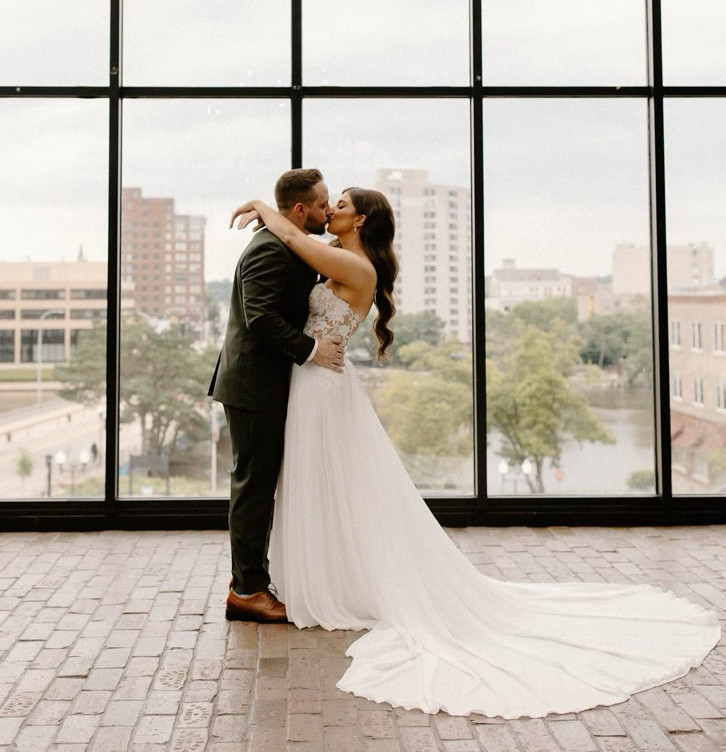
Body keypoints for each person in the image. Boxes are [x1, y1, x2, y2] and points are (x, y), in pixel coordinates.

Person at [228, 186, 721, 719]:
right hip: (312, 382)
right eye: (330, 202)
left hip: (322, 389)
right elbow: (299, 244)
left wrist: (260, 207)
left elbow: (296, 236)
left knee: (326, 483)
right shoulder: (342, 259)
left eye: (341, 204)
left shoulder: (357, 267)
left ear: (361, 218)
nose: (333, 210)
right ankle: (311, 576)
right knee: (314, 485)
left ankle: (326, 580)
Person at [208, 168, 345, 624]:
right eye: (324, 204)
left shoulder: (287, 241)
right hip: (252, 386)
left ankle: (252, 579)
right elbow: (259, 317)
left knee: (261, 485)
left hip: (269, 384)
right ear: (301, 210)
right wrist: (312, 349)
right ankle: (246, 591)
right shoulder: (269, 248)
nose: (329, 211)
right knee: (253, 488)